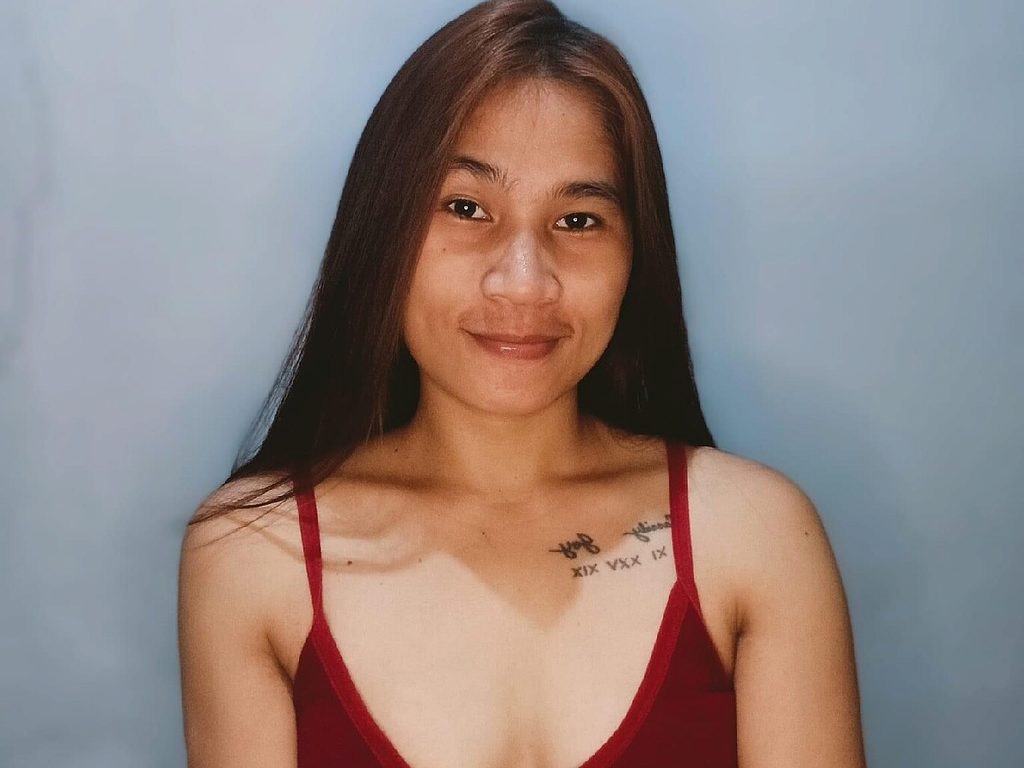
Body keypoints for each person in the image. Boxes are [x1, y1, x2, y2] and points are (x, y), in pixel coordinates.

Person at [177, 1, 867, 765]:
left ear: (636, 254)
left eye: (578, 220)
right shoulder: (255, 552)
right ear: (384, 230)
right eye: (466, 207)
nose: (524, 282)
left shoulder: (755, 536)